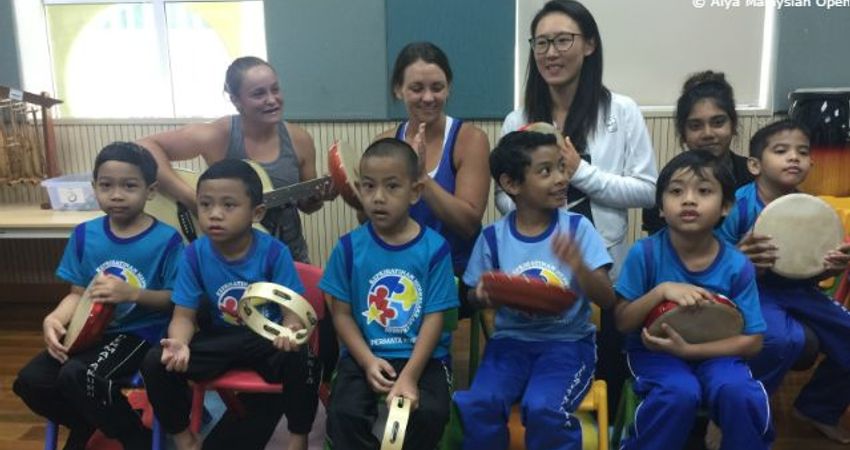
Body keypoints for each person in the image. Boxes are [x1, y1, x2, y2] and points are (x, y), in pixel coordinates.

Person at [498, 0, 657, 412]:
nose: (551, 53)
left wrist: (580, 172)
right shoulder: (519, 119)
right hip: (540, 270)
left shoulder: (621, 111)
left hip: (604, 271)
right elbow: (503, 194)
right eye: (542, 43)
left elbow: (647, 190)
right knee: (540, 385)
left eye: (563, 40)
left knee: (605, 379)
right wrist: (531, 203)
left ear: (588, 45)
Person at [13, 142, 183, 450]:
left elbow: (174, 300)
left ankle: (135, 439)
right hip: (87, 332)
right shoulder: (84, 235)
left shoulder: (167, 240)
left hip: (139, 334)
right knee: (30, 381)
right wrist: (54, 318)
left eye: (129, 186)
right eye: (106, 185)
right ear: (94, 188)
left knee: (76, 376)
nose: (116, 195)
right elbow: (77, 294)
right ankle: (91, 421)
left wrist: (132, 293)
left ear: (151, 191)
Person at [140, 159, 319, 450]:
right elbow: (184, 316)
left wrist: (289, 331)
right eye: (205, 204)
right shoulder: (194, 254)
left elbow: (291, 313)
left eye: (228, 205)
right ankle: (185, 438)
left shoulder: (275, 252)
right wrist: (179, 343)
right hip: (219, 340)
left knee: (304, 357)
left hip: (265, 340)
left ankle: (298, 438)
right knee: (156, 362)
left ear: (256, 213)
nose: (215, 214)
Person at [454, 130, 616, 450]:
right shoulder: (493, 238)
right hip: (509, 345)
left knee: (543, 408)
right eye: (546, 171)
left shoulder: (578, 228)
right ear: (511, 184)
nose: (561, 178)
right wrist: (480, 296)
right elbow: (472, 295)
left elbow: (607, 299)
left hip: (567, 345)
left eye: (561, 167)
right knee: (479, 403)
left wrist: (579, 266)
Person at [614, 150, 773, 450]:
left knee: (739, 391)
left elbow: (753, 341)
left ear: (726, 206)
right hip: (654, 353)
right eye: (676, 191)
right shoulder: (644, 253)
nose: (689, 200)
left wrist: (691, 350)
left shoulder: (737, 265)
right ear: (661, 207)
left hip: (718, 354)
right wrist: (661, 291)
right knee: (678, 392)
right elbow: (622, 322)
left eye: (704, 191)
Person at [716, 119, 850, 444]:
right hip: (753, 291)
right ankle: (730, 414)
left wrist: (831, 268)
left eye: (802, 152)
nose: (793, 157)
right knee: (779, 341)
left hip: (801, 291)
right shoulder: (738, 206)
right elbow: (713, 262)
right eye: (781, 151)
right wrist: (740, 258)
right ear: (755, 165)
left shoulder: (812, 210)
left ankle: (818, 408)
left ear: (811, 164)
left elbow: (813, 270)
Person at [321, 138, 458, 450]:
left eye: (392, 186)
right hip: (364, 354)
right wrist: (368, 361)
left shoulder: (435, 249)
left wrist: (409, 376)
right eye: (369, 186)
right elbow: (341, 315)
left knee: (431, 414)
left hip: (424, 358)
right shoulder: (347, 248)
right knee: (344, 413)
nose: (378, 197)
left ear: (415, 192)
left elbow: (434, 319)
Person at [137, 56, 334, 263]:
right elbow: (143, 147)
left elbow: (307, 206)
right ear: (236, 100)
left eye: (275, 89)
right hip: (228, 258)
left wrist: (318, 197)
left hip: (288, 254)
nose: (271, 100)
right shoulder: (218, 135)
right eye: (259, 94)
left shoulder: (300, 140)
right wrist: (193, 199)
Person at [376, 42, 490, 316]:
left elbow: (468, 224)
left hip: (454, 274)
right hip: (397, 271)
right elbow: (371, 220)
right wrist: (356, 193)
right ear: (398, 89)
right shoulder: (385, 142)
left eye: (437, 88)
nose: (428, 97)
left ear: (448, 88)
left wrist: (420, 177)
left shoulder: (470, 140)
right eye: (417, 88)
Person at [643, 70, 754, 235]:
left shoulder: (754, 178)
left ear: (733, 125)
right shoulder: (667, 185)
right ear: (683, 133)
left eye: (718, 122)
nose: (708, 133)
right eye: (695, 126)